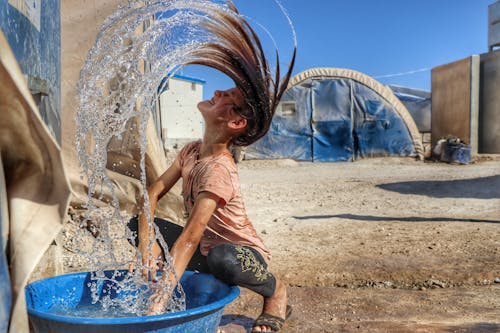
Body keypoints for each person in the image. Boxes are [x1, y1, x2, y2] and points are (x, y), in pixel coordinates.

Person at [129, 86, 291, 333]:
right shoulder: (191, 151)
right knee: (135, 226)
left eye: (227, 95)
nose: (216, 91)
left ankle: (276, 290)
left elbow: (189, 239)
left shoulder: (219, 170)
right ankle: (172, 276)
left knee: (223, 259)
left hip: (240, 253)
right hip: (206, 248)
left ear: (236, 121)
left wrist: (157, 305)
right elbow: (151, 195)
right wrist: (146, 248)